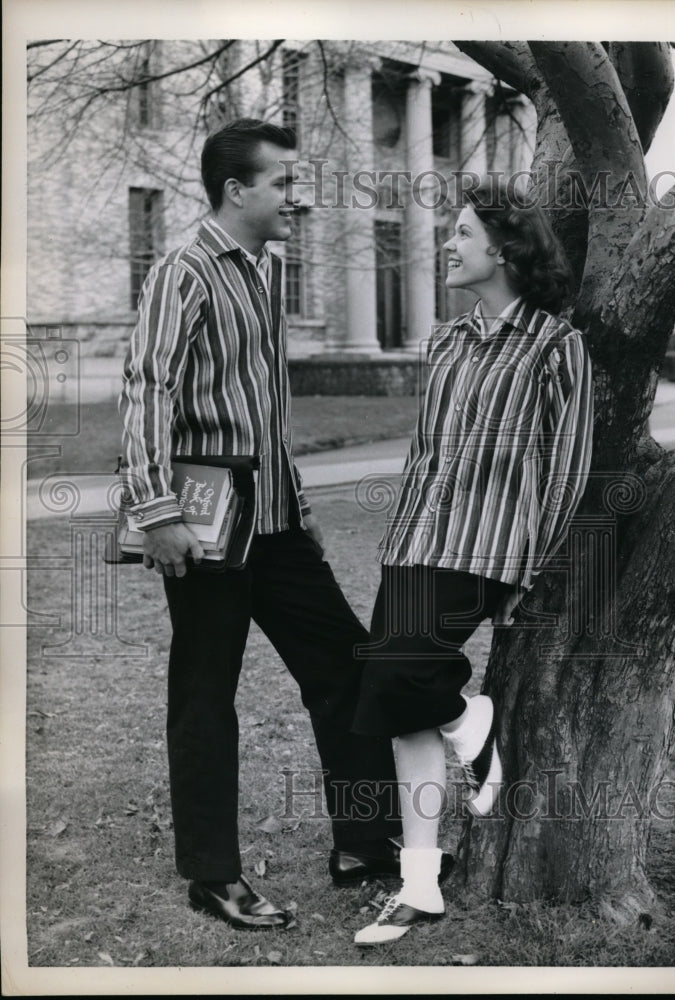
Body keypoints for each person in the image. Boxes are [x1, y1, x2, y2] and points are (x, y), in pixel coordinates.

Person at [119, 118, 426, 931]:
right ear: (236, 189)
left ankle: (364, 842)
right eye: (286, 181)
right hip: (206, 526)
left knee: (348, 668)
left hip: (278, 521)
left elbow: (264, 410)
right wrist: (156, 512)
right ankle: (213, 876)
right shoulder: (182, 270)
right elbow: (148, 389)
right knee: (205, 697)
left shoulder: (265, 269)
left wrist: (301, 507)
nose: (300, 194)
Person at [352, 180, 594, 945]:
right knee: (398, 707)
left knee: (403, 675)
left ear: (504, 249)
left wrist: (534, 570)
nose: (446, 245)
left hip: (486, 545)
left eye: (460, 233)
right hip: (416, 540)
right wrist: (398, 536)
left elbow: (568, 466)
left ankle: (471, 722)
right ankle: (419, 885)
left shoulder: (556, 345)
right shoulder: (446, 341)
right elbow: (426, 454)